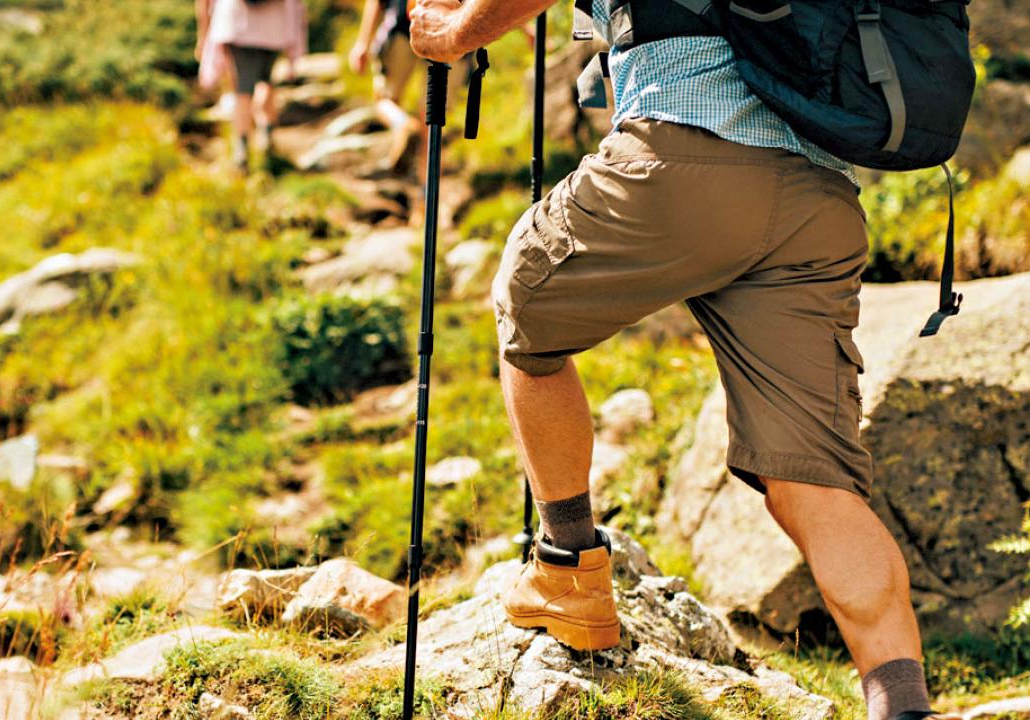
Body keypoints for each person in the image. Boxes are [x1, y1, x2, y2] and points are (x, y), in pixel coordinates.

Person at [410, 2, 954, 720]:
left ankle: (570, 569)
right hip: (815, 203)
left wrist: (452, 34)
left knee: (527, 296)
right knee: (813, 481)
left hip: (684, 154)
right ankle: (903, 703)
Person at [349, 0, 469, 180]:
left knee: (384, 99)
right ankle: (424, 198)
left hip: (403, 22)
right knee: (432, 124)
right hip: (455, 27)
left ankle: (403, 124)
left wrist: (363, 42)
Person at [196, 0, 307, 172]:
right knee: (267, 83)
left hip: (237, 25)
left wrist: (203, 33)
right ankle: (266, 138)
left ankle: (241, 151)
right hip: (275, 27)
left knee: (243, 90)